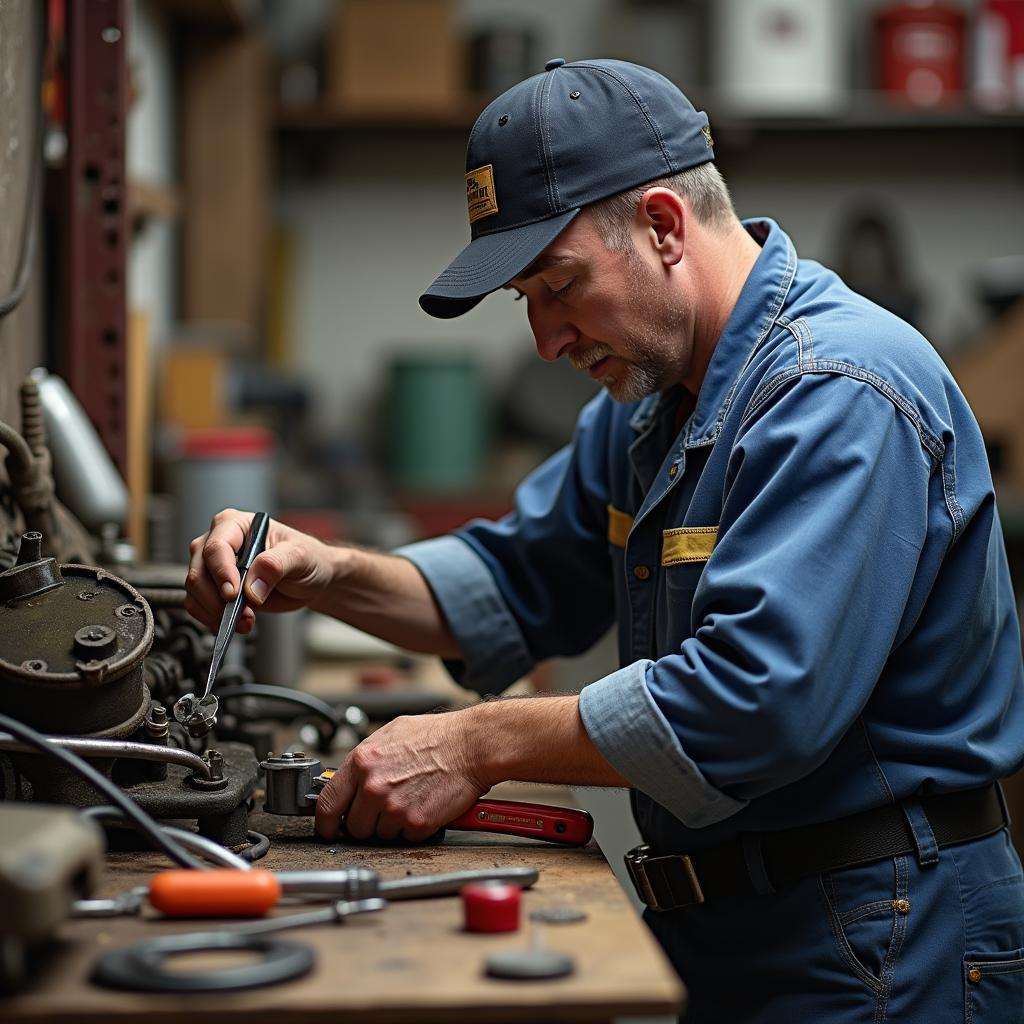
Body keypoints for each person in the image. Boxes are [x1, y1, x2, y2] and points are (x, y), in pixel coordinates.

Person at [185, 59, 1024, 1022]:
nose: (546, 340)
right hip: (739, 927)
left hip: (884, 934)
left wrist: (476, 742)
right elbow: (511, 581)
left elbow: (751, 704)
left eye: (561, 285)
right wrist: (324, 571)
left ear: (665, 227)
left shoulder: (837, 390)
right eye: (525, 302)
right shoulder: (651, 407)